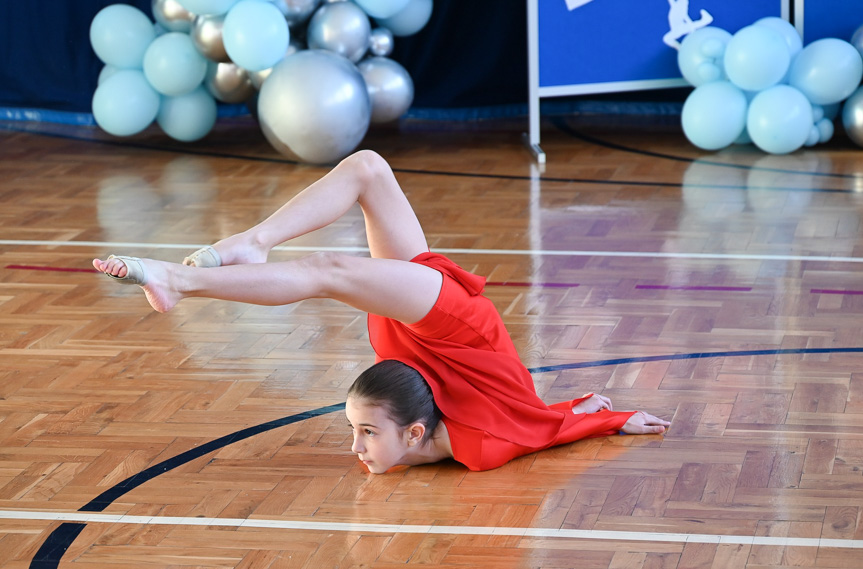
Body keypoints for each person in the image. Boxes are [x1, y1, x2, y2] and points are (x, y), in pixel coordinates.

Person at [93, 150, 670, 473]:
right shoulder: (478, 447)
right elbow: (540, 429)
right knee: (332, 259)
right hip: (456, 328)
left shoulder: (424, 432)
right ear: (417, 433)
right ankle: (184, 276)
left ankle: (242, 248)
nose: (357, 447)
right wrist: (606, 418)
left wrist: (582, 414)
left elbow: (538, 423)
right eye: (363, 433)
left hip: (405, 346)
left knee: (368, 170)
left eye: (363, 431)